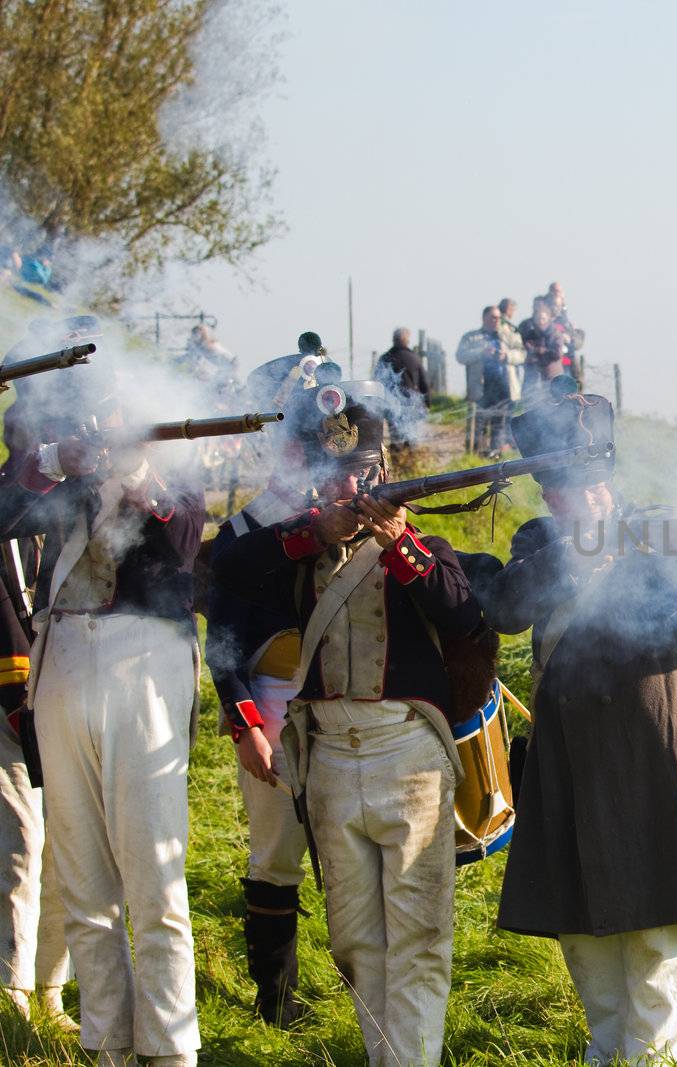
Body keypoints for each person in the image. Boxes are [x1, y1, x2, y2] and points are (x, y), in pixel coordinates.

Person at [211, 380, 484, 1067]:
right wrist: (310, 534)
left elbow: (463, 615)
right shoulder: (291, 555)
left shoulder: (423, 545)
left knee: (418, 935)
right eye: (335, 476)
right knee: (355, 939)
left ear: (383, 472)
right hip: (329, 756)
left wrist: (399, 542)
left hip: (408, 754)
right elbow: (222, 570)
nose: (350, 486)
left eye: (361, 473)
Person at [488, 378, 677, 1064]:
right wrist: (572, 552)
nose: (577, 500)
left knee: (654, 924)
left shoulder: (652, 523)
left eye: (587, 485)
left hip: (652, 749)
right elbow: (505, 609)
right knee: (583, 928)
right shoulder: (540, 540)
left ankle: (649, 1053)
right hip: (567, 756)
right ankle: (609, 1047)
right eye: (561, 489)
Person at [0, 360, 205, 1067]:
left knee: (155, 880)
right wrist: (52, 461)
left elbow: (183, 546)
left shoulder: (175, 465)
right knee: (82, 879)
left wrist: (140, 479)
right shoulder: (60, 471)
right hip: (62, 661)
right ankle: (107, 1046)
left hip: (142, 660)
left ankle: (172, 1049)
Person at [203, 367, 329, 1027]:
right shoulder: (243, 529)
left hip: (346, 710)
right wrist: (248, 723)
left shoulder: (353, 519)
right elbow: (223, 642)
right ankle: (275, 1003)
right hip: (274, 707)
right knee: (275, 856)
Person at [0, 393, 74, 1034]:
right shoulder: (9, 497)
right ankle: (14, 994)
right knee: (22, 845)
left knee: (65, 846)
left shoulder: (75, 505)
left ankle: (50, 988)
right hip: (8, 692)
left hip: (62, 691)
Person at [457, 306, 511, 453]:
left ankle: (496, 456)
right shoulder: (471, 337)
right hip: (481, 388)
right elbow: (460, 356)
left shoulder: (506, 336)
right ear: (484, 318)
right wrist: (482, 353)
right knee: (478, 424)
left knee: (498, 425)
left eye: (499, 317)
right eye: (493, 317)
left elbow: (523, 353)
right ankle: (475, 456)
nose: (497, 320)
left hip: (502, 388)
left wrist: (507, 356)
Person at [377, 327, 432, 457]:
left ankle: (398, 466)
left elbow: (377, 383)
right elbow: (425, 384)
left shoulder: (385, 358)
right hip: (412, 405)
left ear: (393, 340)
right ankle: (410, 465)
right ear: (407, 340)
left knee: (396, 437)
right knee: (410, 436)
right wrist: (427, 403)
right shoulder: (414, 358)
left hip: (391, 405)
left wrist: (380, 404)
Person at [496, 298, 526, 402]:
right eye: (513, 309)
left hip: (509, 368)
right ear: (509, 309)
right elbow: (516, 343)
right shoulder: (503, 325)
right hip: (504, 373)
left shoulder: (508, 325)